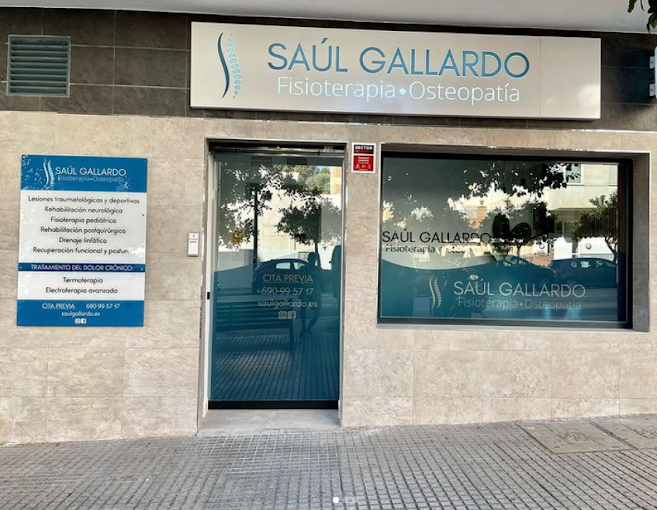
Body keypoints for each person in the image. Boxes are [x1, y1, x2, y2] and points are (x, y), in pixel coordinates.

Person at [299, 252, 323, 335]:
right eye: (312, 259)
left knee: (316, 311)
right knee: (304, 310)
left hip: (315, 291)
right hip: (307, 290)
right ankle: (304, 327)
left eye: (314, 259)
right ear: (308, 259)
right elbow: (300, 278)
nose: (313, 261)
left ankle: (307, 327)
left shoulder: (318, 269)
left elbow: (323, 279)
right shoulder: (304, 268)